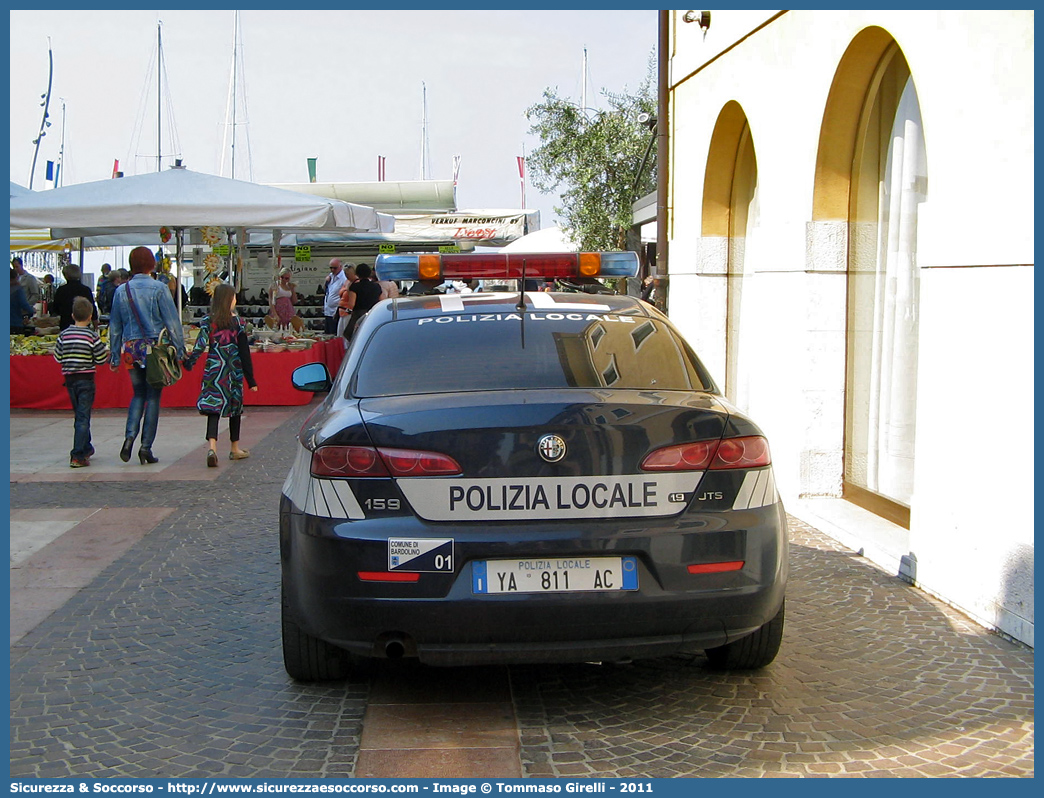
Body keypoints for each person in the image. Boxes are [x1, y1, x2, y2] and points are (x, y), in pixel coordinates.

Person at [107, 247, 186, 466]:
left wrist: (114, 356)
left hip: (131, 349)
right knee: (153, 397)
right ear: (152, 264)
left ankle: (129, 437)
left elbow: (114, 327)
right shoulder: (159, 288)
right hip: (154, 349)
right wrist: (180, 350)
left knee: (138, 394)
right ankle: (146, 447)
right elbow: (172, 323)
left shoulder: (122, 291)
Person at [183, 283, 258, 468]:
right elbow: (244, 352)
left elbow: (199, 346)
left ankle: (212, 447)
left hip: (214, 369)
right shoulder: (239, 323)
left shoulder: (209, 321)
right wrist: (251, 379)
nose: (236, 300)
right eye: (233, 297)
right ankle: (234, 448)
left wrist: (189, 362)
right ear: (228, 300)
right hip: (233, 371)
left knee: (213, 408)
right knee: (235, 409)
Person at [52, 296, 108, 468]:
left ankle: (86, 446)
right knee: (83, 417)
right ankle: (77, 454)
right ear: (90, 316)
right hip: (86, 379)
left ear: (72, 315)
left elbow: (57, 356)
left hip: (69, 380)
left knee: (79, 415)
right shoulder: (91, 336)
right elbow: (100, 358)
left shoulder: (64, 335)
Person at [342, 263, 384, 343]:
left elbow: (351, 304)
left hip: (359, 314)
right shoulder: (376, 286)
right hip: (373, 314)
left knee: (352, 335)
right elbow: (381, 300)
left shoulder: (354, 287)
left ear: (357, 274)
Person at [53, 263, 98, 330]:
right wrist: (96, 327)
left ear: (66, 276)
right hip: (84, 327)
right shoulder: (86, 290)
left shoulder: (61, 290)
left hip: (66, 326)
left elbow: (55, 309)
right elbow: (93, 310)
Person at [322, 258, 347, 335]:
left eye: (335, 268)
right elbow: (325, 290)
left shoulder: (343, 278)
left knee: (334, 333)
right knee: (328, 333)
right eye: (331, 268)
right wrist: (326, 282)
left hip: (336, 311)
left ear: (340, 267)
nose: (332, 270)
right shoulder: (331, 276)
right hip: (328, 310)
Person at [335, 264, 358, 339]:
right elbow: (340, 293)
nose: (346, 276)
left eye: (348, 274)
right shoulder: (347, 282)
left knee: (346, 336)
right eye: (345, 274)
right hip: (342, 311)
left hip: (348, 311)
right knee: (340, 334)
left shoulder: (355, 283)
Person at [10, 268, 34, 333]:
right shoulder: (17, 290)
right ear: (16, 277)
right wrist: (31, 312)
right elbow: (24, 304)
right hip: (15, 323)